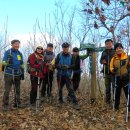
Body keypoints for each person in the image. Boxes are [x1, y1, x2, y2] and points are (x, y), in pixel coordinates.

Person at [55, 42, 80, 110]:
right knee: (60, 88)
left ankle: (75, 103)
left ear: (68, 48)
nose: (65, 48)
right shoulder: (59, 55)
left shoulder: (72, 56)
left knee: (70, 89)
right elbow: (55, 64)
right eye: (64, 47)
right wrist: (59, 66)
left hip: (67, 75)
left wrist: (68, 67)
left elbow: (73, 65)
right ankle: (60, 101)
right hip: (60, 75)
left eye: (67, 47)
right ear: (62, 48)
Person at [2, 39, 24, 110]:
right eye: (15, 44)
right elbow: (3, 63)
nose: (17, 45)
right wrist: (8, 62)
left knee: (17, 89)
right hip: (9, 73)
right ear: (12, 44)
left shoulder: (19, 53)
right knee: (7, 90)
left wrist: (22, 70)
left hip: (17, 73)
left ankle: (17, 103)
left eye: (18, 44)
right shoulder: (8, 52)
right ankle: (5, 105)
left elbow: (21, 63)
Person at [110, 43, 130, 110]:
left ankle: (129, 108)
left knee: (128, 93)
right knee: (117, 93)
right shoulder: (113, 58)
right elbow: (111, 67)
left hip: (126, 78)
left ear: (122, 48)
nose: (119, 49)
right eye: (117, 48)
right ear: (115, 50)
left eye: (120, 48)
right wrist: (113, 70)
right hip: (117, 78)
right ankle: (116, 107)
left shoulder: (127, 57)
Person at [100, 39, 115, 107]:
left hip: (113, 73)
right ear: (105, 45)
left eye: (109, 43)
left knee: (114, 88)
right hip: (106, 73)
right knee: (107, 88)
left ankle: (115, 101)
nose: (108, 45)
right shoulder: (104, 52)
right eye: (107, 44)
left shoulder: (114, 51)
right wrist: (102, 61)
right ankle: (108, 102)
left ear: (112, 44)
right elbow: (100, 60)